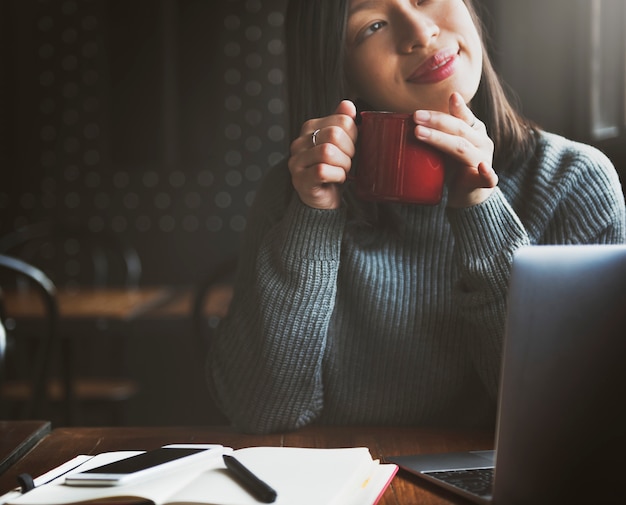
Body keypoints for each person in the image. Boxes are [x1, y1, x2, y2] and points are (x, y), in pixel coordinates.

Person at [207, 0, 626, 434]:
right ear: (341, 70)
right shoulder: (292, 193)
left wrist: (482, 208)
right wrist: (312, 216)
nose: (420, 33)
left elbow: (569, 422)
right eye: (372, 26)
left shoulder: (573, 182)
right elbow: (261, 411)